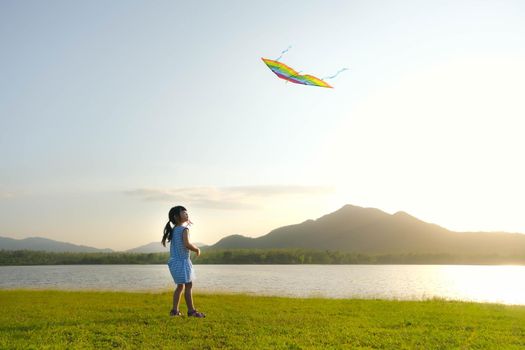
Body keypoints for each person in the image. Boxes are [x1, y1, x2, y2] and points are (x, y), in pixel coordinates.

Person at [162, 205, 205, 318]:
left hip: (174, 262)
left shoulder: (174, 230)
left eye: (187, 213)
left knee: (180, 287)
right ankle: (191, 311)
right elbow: (187, 244)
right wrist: (197, 249)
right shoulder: (184, 229)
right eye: (183, 213)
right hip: (182, 262)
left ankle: (174, 311)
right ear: (176, 217)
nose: (186, 214)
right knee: (188, 285)